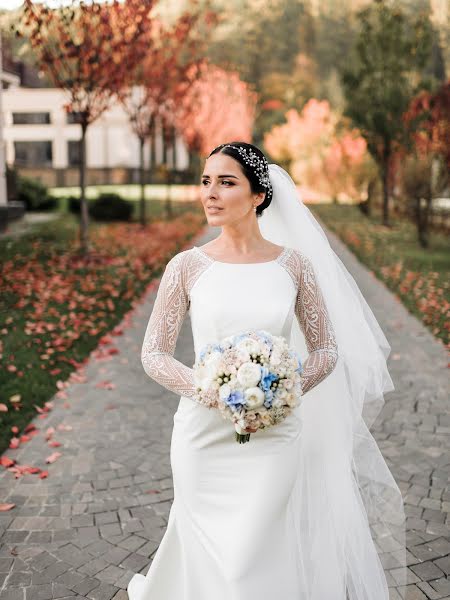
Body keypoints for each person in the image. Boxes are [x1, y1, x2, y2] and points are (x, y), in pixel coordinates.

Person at [127, 142, 406, 599]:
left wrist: (283, 390)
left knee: (258, 551)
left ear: (259, 196)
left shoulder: (293, 265)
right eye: (206, 181)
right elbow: (153, 354)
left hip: (275, 434)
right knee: (205, 545)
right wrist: (211, 391)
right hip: (203, 435)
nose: (210, 193)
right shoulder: (186, 267)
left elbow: (326, 350)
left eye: (226, 182)